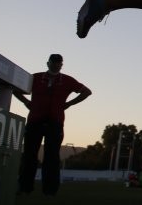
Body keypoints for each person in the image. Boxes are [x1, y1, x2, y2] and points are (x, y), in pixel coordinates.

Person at [14, 54, 92, 195]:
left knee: (52, 156)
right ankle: (25, 187)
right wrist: (26, 102)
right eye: (54, 63)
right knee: (29, 155)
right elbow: (15, 89)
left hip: (55, 121)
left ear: (61, 65)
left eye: (59, 63)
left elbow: (87, 92)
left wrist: (68, 104)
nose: (56, 65)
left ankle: (49, 190)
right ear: (48, 63)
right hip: (35, 120)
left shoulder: (67, 80)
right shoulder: (35, 78)